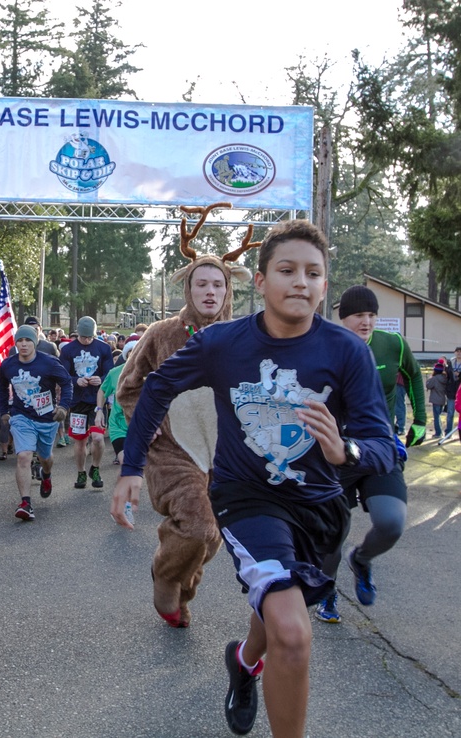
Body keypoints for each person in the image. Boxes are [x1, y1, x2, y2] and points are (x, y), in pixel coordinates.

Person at [111, 219, 395, 738]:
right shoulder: (222, 343)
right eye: (287, 270)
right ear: (260, 281)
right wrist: (131, 467)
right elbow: (154, 387)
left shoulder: (347, 351)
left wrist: (344, 449)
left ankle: (243, 662)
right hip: (247, 499)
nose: (301, 282)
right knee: (293, 632)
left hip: (320, 507)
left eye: (313, 273)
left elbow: (382, 444)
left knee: (279, 611)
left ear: (324, 285)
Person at [117, 215, 255, 629]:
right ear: (188, 289)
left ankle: (182, 589)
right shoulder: (162, 333)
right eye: (201, 284)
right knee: (198, 527)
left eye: (218, 285)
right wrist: (145, 419)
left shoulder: (243, 335)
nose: (210, 291)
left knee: (215, 534)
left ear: (228, 290)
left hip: (224, 453)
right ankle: (165, 575)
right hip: (173, 449)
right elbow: (128, 387)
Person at [315, 285, 427, 623]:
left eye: (371, 315)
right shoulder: (325, 347)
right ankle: (326, 592)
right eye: (358, 316)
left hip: (380, 448)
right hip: (336, 454)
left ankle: (361, 560)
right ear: (343, 318)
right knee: (333, 534)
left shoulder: (392, 344)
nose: (366, 322)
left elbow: (414, 376)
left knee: (391, 523)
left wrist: (420, 420)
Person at [0, 325, 73, 521]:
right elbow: (2, 388)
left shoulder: (49, 363)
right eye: (20, 341)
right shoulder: (8, 365)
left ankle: (46, 474)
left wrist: (63, 407)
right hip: (21, 416)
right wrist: (4, 411)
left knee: (45, 457)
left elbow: (66, 383)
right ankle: (26, 503)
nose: (23, 344)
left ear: (35, 342)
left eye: (28, 340)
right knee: (23, 456)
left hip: (47, 418)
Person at [60, 316, 113, 490]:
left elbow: (110, 373)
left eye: (90, 337)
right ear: (78, 334)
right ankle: (81, 472)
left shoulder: (104, 348)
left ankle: (95, 468)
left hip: (97, 400)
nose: (87, 340)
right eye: (84, 337)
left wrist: (101, 379)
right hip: (78, 401)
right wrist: (76, 380)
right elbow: (62, 375)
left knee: (97, 438)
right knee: (80, 441)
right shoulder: (68, 350)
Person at [426, 364, 448, 439]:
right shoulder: (445, 378)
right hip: (443, 399)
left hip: (435, 399)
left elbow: (428, 386)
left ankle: (438, 433)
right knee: (439, 416)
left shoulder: (434, 379)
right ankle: (440, 431)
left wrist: (429, 379)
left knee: (436, 417)